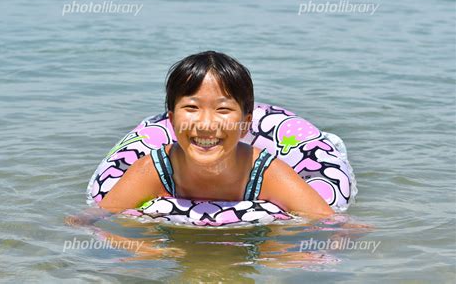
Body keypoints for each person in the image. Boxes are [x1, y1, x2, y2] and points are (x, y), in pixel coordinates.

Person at [97, 51, 333, 219]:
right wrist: (142, 249)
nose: (206, 124)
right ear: (171, 120)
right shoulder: (154, 170)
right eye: (191, 108)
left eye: (223, 109)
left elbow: (331, 223)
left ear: (245, 124)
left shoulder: (266, 173)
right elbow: (94, 221)